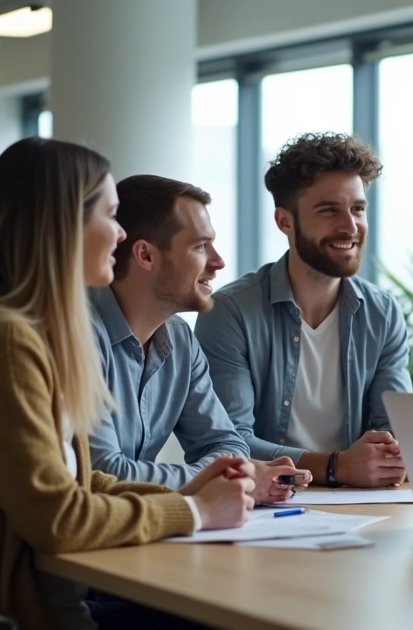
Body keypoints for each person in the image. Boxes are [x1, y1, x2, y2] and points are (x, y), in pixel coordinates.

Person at [0, 137, 254, 630]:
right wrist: (194, 510)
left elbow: (76, 483)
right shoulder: (0, 339)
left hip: (33, 604)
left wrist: (192, 491)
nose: (122, 235)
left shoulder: (19, 330)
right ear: (62, 226)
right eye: (111, 216)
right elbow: (58, 519)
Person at [195, 132, 412, 488]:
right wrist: (336, 467)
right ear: (285, 222)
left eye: (358, 209)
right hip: (263, 504)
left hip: (364, 502)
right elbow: (229, 443)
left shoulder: (383, 314)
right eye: (329, 210)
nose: (350, 226)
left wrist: (393, 454)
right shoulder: (230, 313)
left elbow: (395, 430)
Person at [87, 174, 309, 499]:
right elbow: (103, 473)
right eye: (200, 246)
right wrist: (227, 477)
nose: (218, 262)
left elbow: (226, 443)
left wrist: (229, 474)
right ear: (146, 256)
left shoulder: (180, 340)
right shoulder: (79, 336)